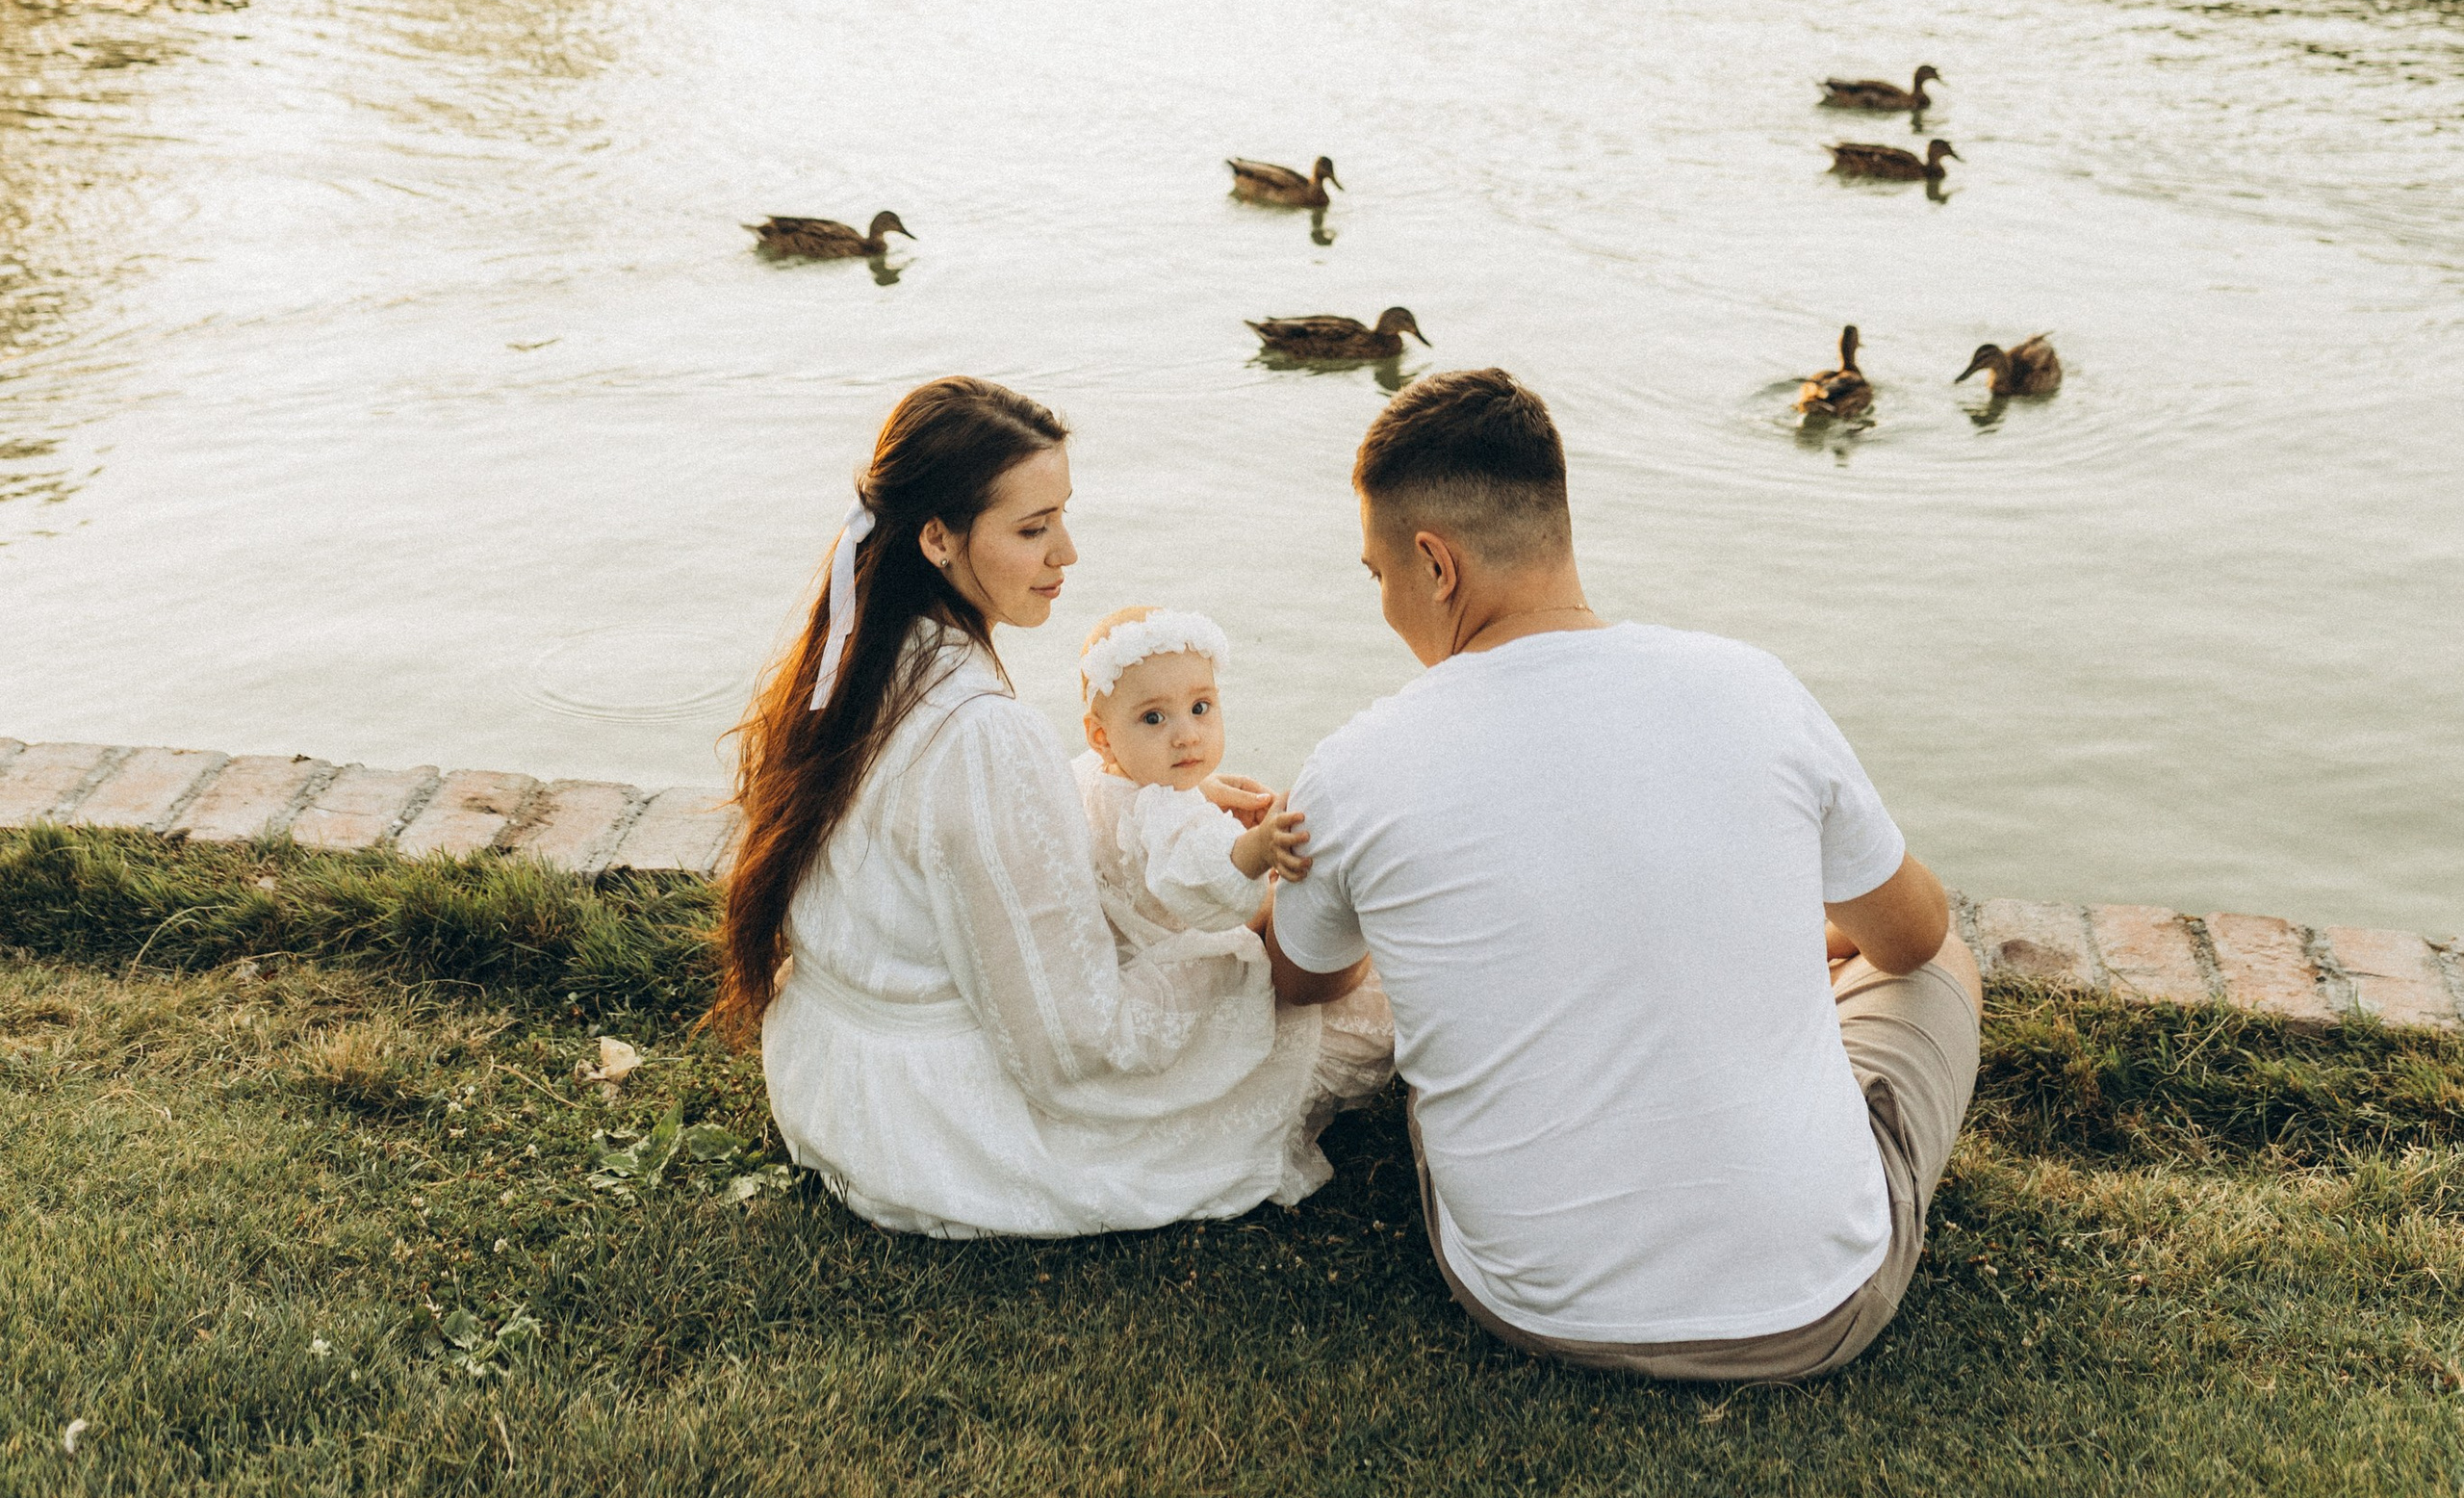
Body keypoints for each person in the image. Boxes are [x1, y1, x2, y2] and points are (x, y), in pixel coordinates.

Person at [1263, 366, 1981, 1380]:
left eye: (1377, 574)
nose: (1384, 600)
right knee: (1945, 954)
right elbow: (1908, 936)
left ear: (1434, 563)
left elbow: (1301, 978)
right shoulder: (1753, 685)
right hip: (1819, 1307)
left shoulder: (1354, 765)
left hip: (1535, 1302)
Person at [718, 376, 1390, 1237]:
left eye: (1062, 516)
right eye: (1033, 528)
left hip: (834, 1076)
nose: (1066, 552)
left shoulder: (868, 659)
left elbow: (968, 820)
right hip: (937, 1130)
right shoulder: (983, 733)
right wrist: (1242, 957)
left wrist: (1140, 791)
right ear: (937, 538)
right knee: (1367, 1009)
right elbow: (1077, 1050)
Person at [1074, 602, 1319, 948]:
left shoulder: (1095, 774)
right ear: (1102, 737)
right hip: (1180, 952)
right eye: (1154, 718)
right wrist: (1260, 847)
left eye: (1199, 708)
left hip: (1136, 939)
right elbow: (1205, 871)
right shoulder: (1162, 809)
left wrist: (1201, 789)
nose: (1187, 736)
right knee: (1291, 902)